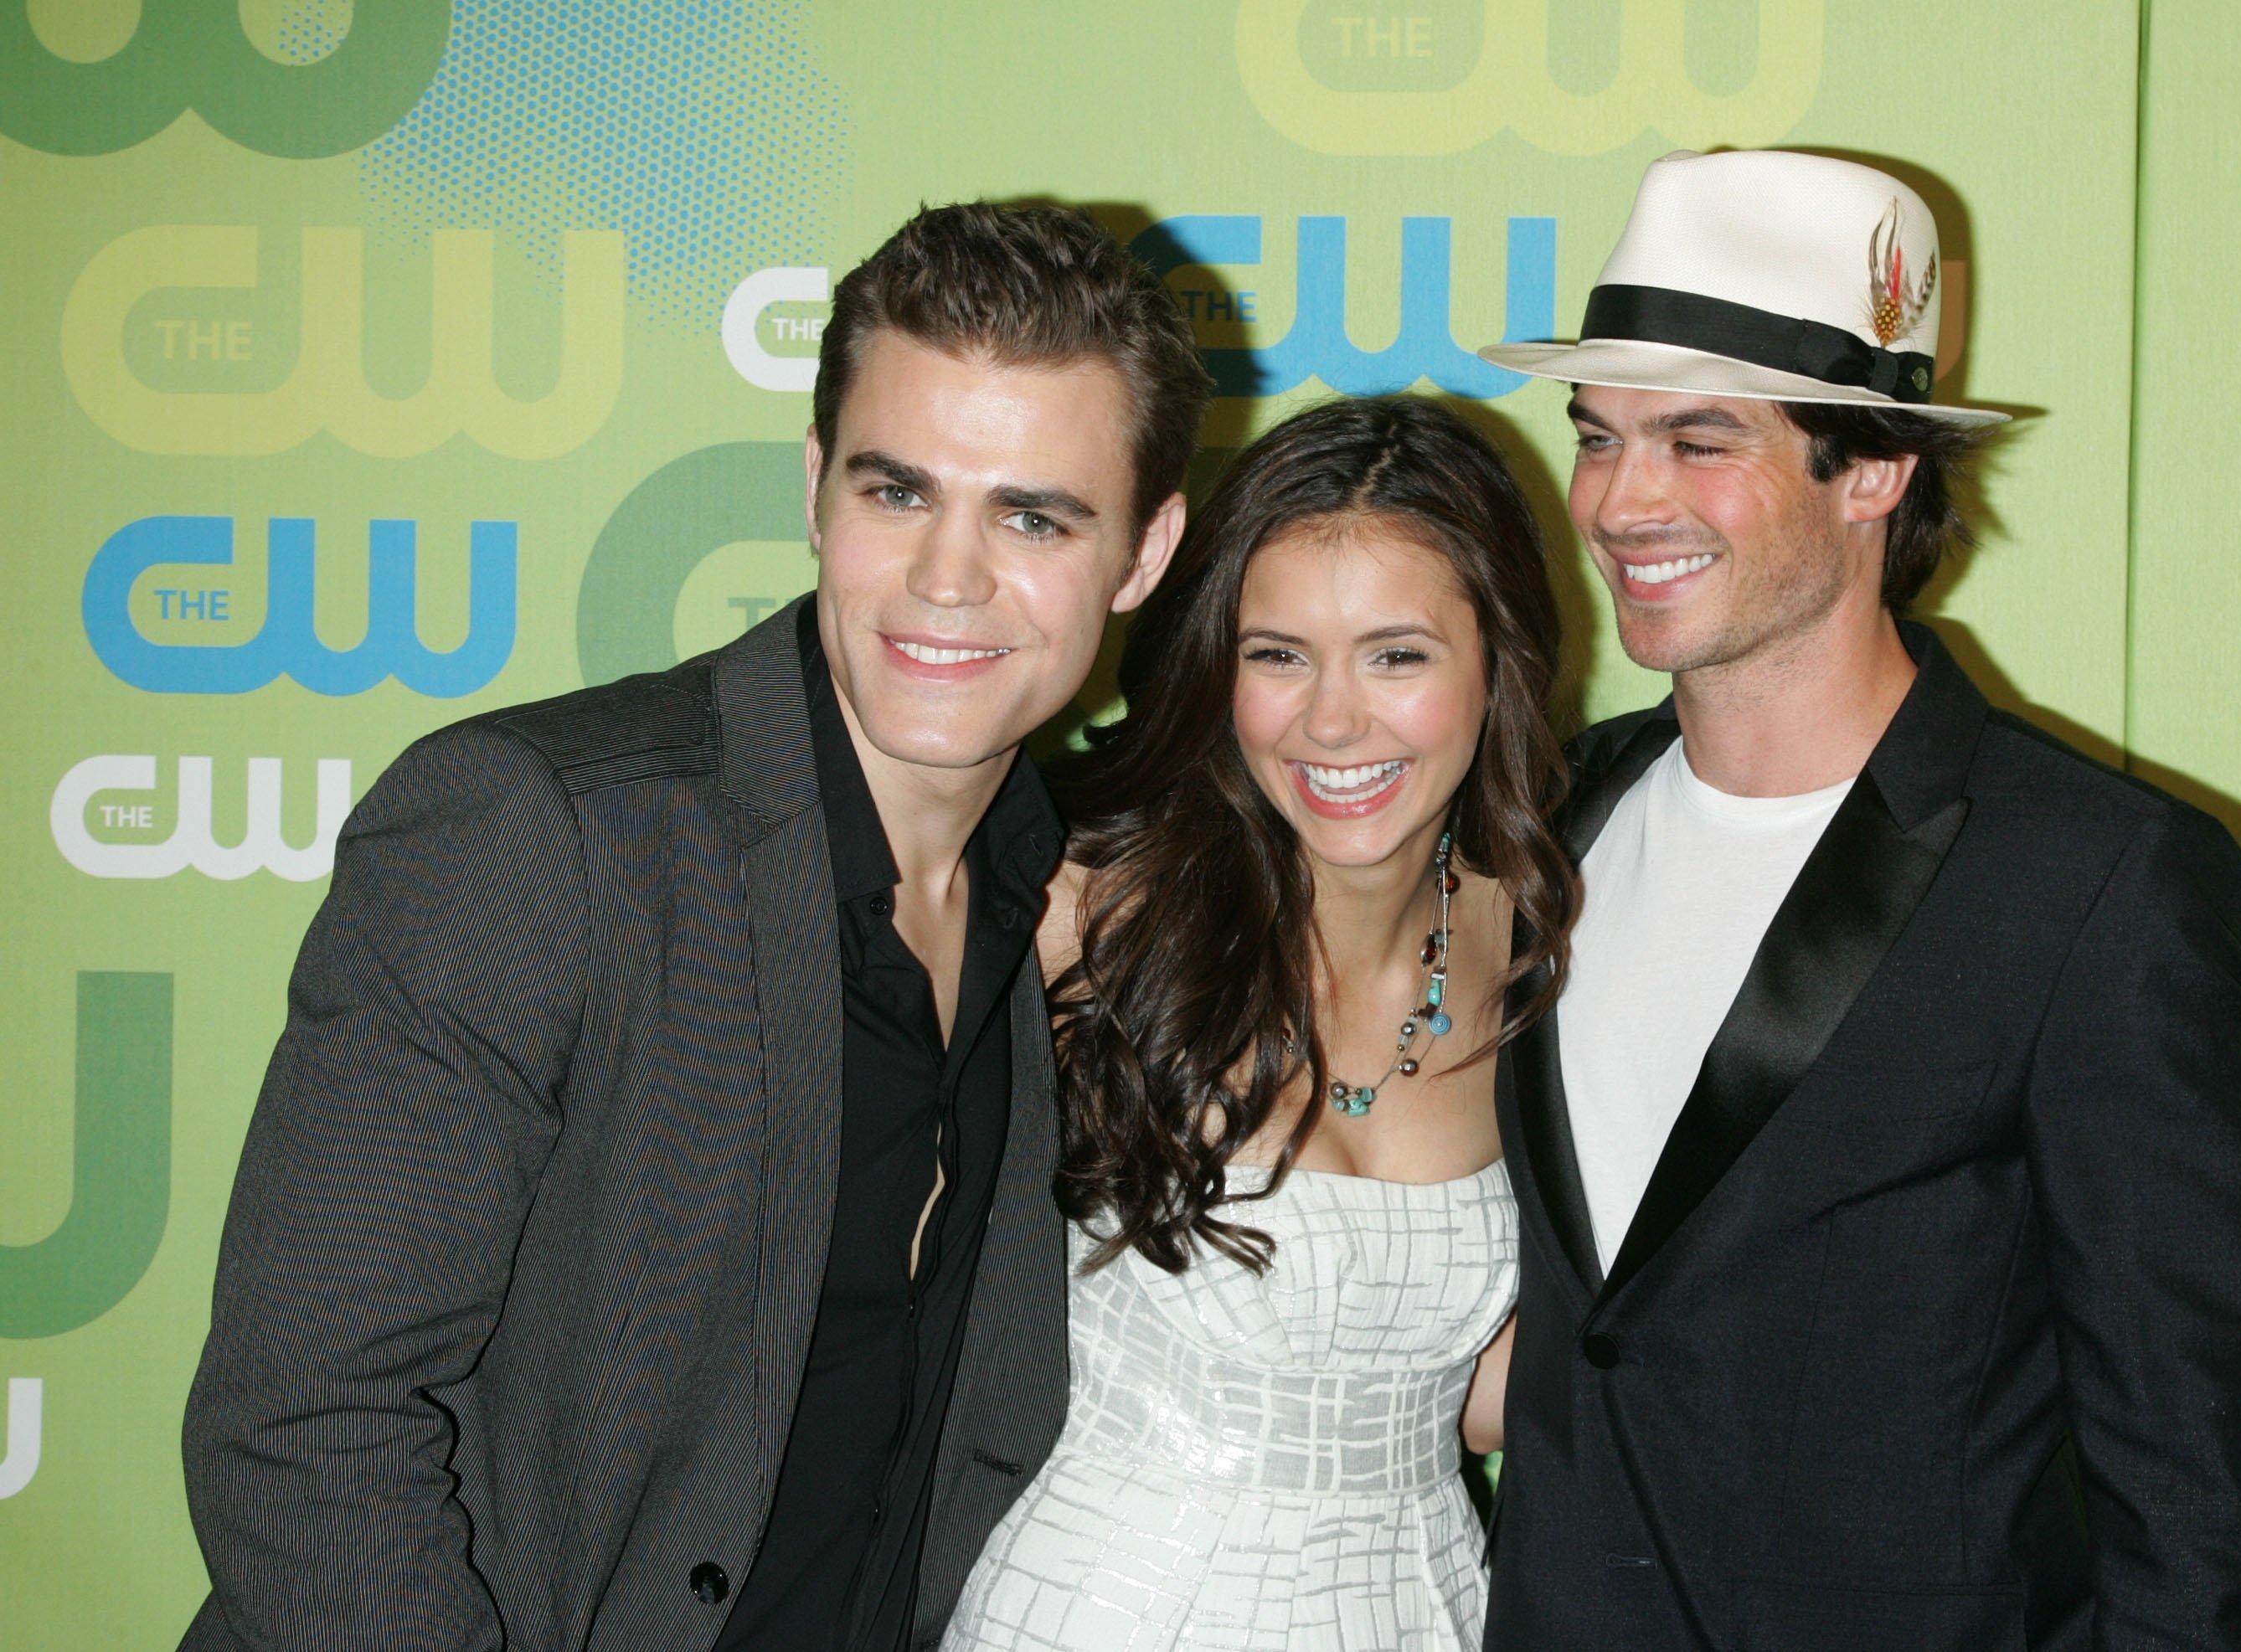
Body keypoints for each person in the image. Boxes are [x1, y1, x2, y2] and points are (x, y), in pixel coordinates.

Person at [178, 203, 1206, 1651]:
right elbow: (299, 1424)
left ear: (1146, 554)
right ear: (813, 487)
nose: (948, 577)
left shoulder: (1045, 904)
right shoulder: (542, 829)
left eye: (1033, 516)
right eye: (896, 492)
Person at [1471, 150, 2241, 1649]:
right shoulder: (1534, 818)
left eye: (1698, 439)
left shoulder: (2100, 884)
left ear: (1875, 469)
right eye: (1599, 436)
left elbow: (2191, 1497)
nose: (1618, 500)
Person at [942, 396, 1576, 1651]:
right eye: (1278, 654)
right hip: (1097, 1607)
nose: (1331, 721)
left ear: (1497, 660)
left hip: (1425, 1609)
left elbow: (1471, 1384)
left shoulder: (1549, 933)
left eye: (1397, 655)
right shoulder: (1075, 914)